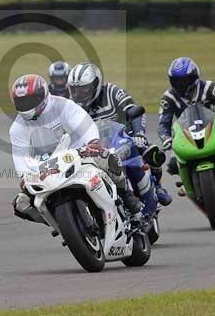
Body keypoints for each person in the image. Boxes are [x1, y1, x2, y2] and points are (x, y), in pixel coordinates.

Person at [9, 74, 143, 222]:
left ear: (42, 96)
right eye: (21, 101)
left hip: (78, 153)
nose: (26, 105)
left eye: (29, 100)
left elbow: (84, 123)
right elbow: (20, 156)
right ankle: (58, 222)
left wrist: (93, 142)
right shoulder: (17, 128)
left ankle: (126, 196)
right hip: (47, 167)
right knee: (21, 204)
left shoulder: (62, 105)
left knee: (106, 157)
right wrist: (24, 176)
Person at [67, 62, 172, 207]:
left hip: (122, 140)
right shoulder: (70, 106)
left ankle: (158, 187)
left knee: (151, 151)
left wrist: (138, 134)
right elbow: (64, 132)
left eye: (83, 89)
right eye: (74, 90)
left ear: (96, 84)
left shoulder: (112, 92)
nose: (78, 94)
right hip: (93, 152)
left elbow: (134, 110)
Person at [158, 57, 215, 193]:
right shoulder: (168, 98)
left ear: (194, 78)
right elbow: (163, 123)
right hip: (185, 136)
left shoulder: (209, 88)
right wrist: (166, 138)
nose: (181, 85)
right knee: (172, 165)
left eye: (185, 80)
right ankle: (186, 181)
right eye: (177, 81)